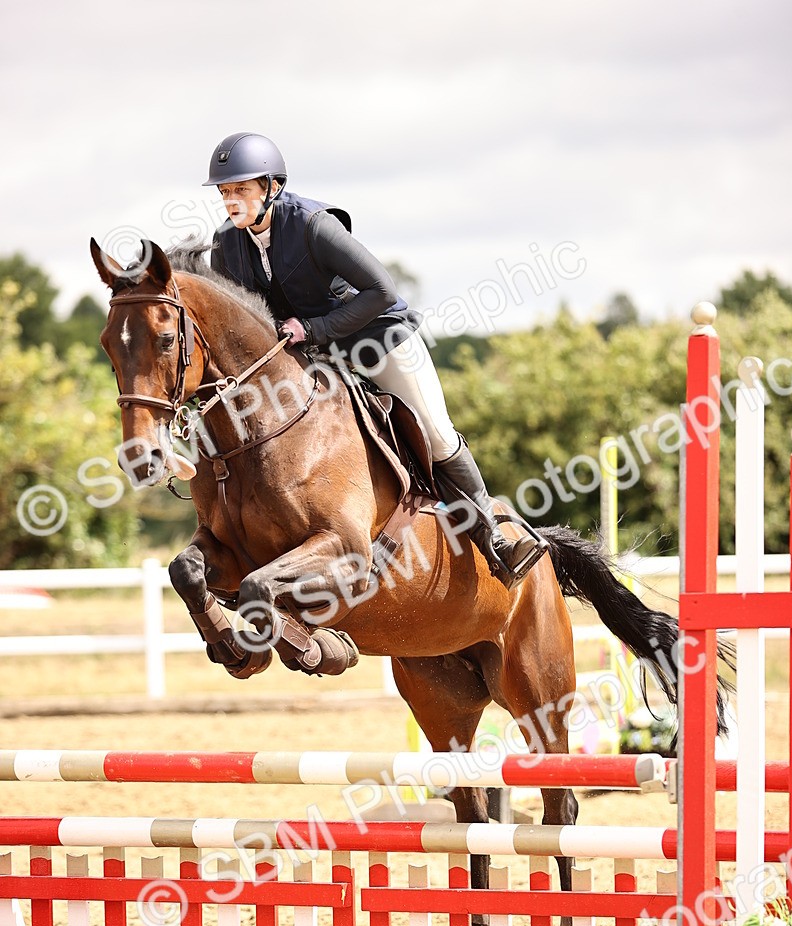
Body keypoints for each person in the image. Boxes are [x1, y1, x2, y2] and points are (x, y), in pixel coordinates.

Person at [204, 131, 548, 586]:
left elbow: (381, 290)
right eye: (226, 191)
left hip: (377, 338)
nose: (231, 201)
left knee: (437, 434)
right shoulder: (227, 244)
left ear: (271, 187)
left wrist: (315, 329)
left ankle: (496, 538)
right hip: (313, 356)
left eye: (241, 189)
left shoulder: (313, 225)